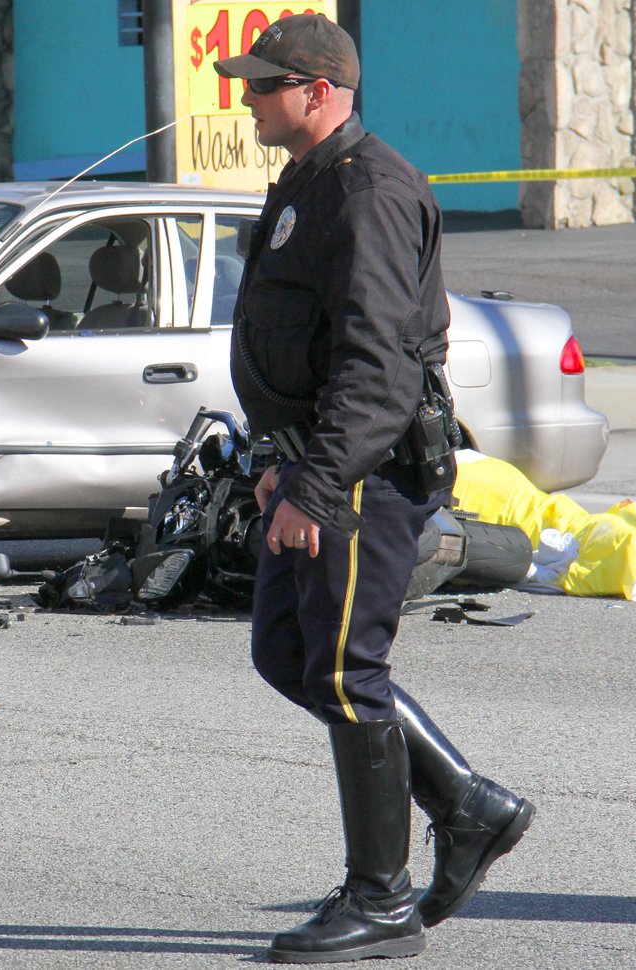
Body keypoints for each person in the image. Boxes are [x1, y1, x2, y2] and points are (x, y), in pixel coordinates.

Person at [213, 14, 535, 964]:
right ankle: (469, 807)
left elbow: (379, 370)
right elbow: (295, 341)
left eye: (265, 85)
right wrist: (277, 456)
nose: (248, 96)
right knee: (286, 654)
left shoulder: (372, 192)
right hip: (309, 461)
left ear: (320, 91)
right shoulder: (309, 180)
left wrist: (314, 488)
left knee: (348, 677)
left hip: (361, 473)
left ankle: (382, 900)